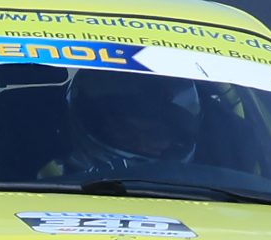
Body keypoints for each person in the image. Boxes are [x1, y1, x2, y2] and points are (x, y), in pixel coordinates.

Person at [64, 69, 202, 173]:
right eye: (126, 133)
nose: (142, 145)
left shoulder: (204, 182)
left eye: (155, 135)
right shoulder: (56, 180)